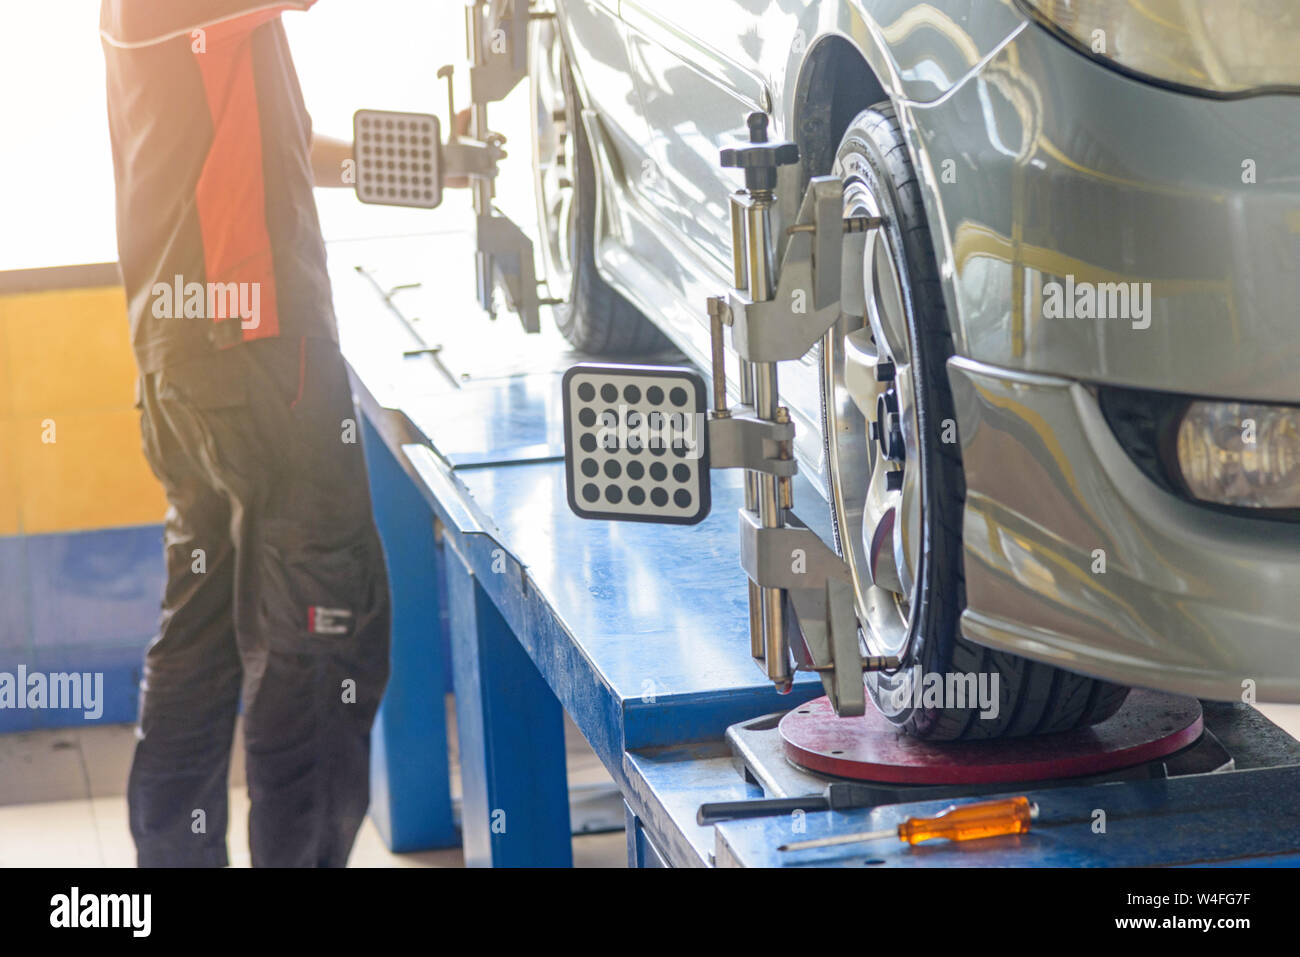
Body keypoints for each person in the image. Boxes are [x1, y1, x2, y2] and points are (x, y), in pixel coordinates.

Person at [100, 0, 390, 867]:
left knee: (201, 637)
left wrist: (422, 162)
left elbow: (269, 155)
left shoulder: (209, 31)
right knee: (319, 634)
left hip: (185, 371)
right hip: (263, 359)